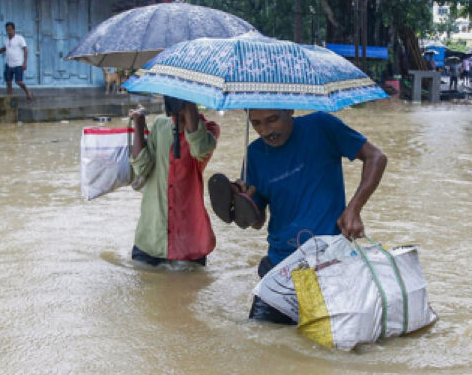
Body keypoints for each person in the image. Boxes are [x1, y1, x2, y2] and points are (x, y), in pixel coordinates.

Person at [209, 110, 388, 323]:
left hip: (328, 263)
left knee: (334, 344)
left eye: (272, 119)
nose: (265, 131)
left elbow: (376, 157)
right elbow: (257, 222)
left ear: (289, 110)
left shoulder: (322, 126)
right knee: (260, 336)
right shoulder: (254, 155)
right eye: (256, 123)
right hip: (279, 266)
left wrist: (354, 209)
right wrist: (242, 202)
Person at [128, 97, 220, 266]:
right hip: (151, 237)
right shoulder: (160, 125)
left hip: (188, 242)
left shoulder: (209, 129)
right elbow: (141, 168)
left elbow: (199, 149)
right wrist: (139, 125)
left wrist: (188, 107)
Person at [0, 22, 32, 101]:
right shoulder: (6, 40)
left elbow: (25, 50)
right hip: (8, 64)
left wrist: (25, 63)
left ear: (14, 29)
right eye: (7, 30)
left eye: (10, 29)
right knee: (8, 82)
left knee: (18, 81)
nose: (8, 31)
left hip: (18, 64)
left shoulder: (19, 38)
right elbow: (5, 49)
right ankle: (9, 98)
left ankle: (27, 91)